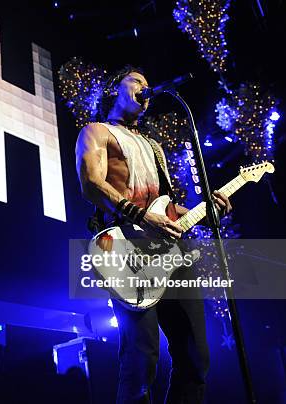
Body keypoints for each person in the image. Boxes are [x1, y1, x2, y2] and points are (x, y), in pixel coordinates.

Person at [75, 66, 232, 403]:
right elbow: (91, 183)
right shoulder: (97, 131)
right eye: (137, 82)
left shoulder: (154, 146)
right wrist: (139, 215)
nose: (146, 90)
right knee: (141, 354)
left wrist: (206, 212)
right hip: (125, 246)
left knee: (196, 358)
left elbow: (169, 209)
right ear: (114, 89)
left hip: (170, 252)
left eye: (148, 84)